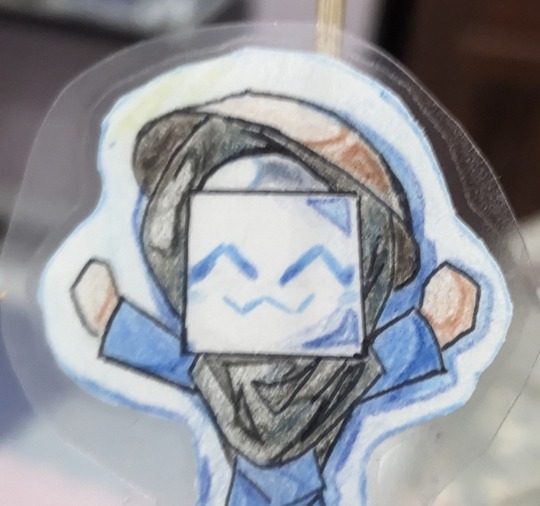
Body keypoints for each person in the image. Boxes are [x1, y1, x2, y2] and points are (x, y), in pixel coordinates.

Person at [71, 92, 479, 505]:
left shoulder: (339, 376)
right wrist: (114, 318)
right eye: (224, 266)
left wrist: (431, 326)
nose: (262, 295)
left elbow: (386, 362)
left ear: (365, 270)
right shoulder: (220, 373)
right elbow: (172, 359)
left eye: (310, 269)